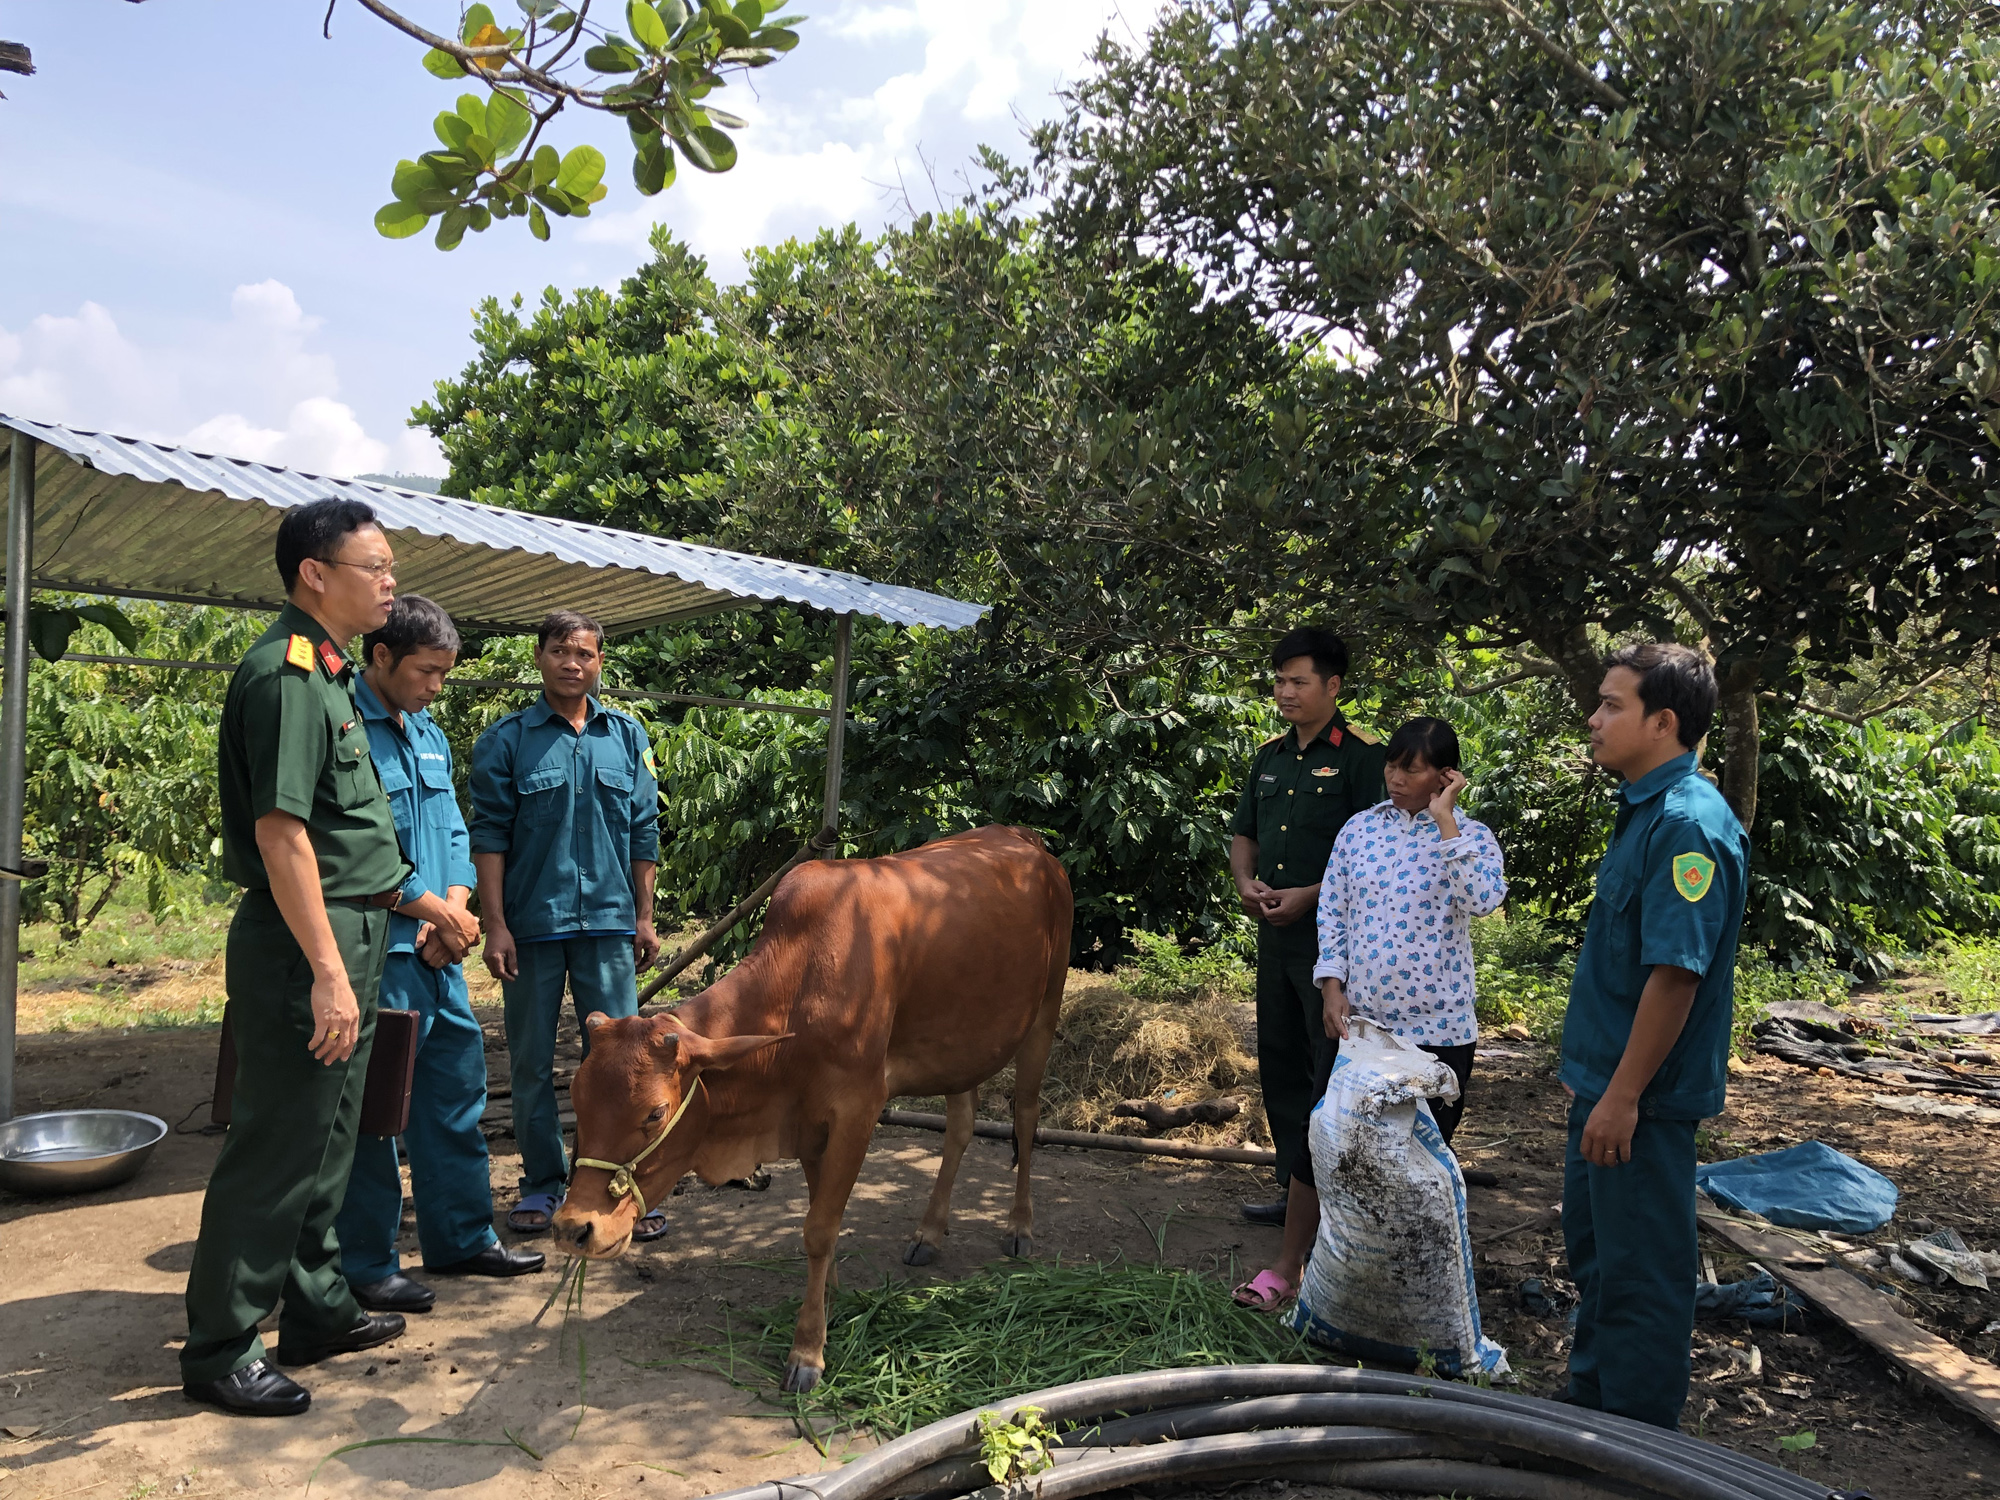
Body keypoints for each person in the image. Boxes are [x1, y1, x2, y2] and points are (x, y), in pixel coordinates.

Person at [181, 499, 410, 1417]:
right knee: (276, 1144)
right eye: (375, 567)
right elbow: (283, 836)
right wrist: (323, 972)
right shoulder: (285, 676)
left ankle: (314, 1308)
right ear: (316, 574)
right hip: (302, 944)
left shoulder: (331, 673)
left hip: (351, 931)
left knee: (329, 1135)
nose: (389, 582)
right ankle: (220, 1346)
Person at [1232, 716, 1507, 1311]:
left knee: (1413, 1164)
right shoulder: (1359, 830)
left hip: (1438, 1030)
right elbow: (1333, 912)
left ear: (1445, 775)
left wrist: (1445, 823)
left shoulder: (1471, 837)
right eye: (1392, 764)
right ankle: (1288, 1268)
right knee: (1321, 1141)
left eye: (1411, 767)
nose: (1395, 777)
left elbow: (1483, 900)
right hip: (1360, 1026)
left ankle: (1388, 1290)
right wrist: (1331, 987)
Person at [332, 596, 546, 1316]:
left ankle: (462, 1236)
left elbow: (455, 828)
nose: (435, 688)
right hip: (379, 952)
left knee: (456, 1097)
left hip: (438, 951)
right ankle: (367, 1262)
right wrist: (435, 911)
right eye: (426, 672)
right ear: (382, 657)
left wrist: (455, 907)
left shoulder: (428, 733)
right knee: (374, 1114)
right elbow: (359, 851)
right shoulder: (342, 727)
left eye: (445, 676)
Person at [1558, 642, 1747, 1429]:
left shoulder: (1686, 826)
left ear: (1662, 722)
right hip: (1605, 1085)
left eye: (1612, 705)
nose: (1594, 720)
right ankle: (1592, 1417)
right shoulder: (1644, 808)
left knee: (1641, 1275)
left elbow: (1676, 976)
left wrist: (1625, 1096)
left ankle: (1634, 1448)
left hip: (1641, 1100)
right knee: (1602, 1261)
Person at [470, 609, 662, 1239]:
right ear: (539, 656)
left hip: (609, 926)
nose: (572, 662)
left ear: (600, 661)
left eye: (584, 653)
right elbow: (490, 837)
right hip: (533, 926)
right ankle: (542, 1183)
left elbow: (642, 830)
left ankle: (628, 1187)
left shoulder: (626, 737)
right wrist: (494, 924)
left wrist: (644, 915)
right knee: (529, 1063)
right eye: (560, 651)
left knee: (621, 1067)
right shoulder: (506, 741)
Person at [1228, 627, 1387, 1225]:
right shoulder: (1268, 757)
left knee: (1333, 1063)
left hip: (1338, 945)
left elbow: (1375, 855)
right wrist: (1246, 884)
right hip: (1276, 936)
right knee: (1281, 1057)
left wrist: (1311, 896)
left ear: (1333, 686)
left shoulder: (1364, 757)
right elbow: (1245, 834)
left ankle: (1339, 1202)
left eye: (1299, 681)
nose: (1285, 692)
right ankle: (1293, 1189)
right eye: (1279, 680)